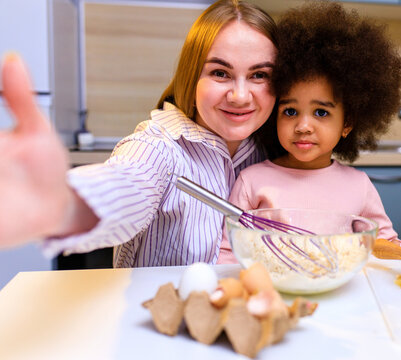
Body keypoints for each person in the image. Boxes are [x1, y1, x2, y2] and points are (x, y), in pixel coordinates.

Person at [0, 0, 277, 267]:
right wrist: (64, 205)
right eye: (220, 73)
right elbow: (129, 182)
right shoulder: (158, 147)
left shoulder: (274, 152)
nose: (240, 96)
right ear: (191, 77)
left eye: (259, 75)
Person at [218, 1, 401, 264]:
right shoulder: (252, 182)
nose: (303, 126)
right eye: (290, 111)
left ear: (347, 123)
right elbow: (228, 253)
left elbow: (383, 246)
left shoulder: (359, 187)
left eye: (321, 113)